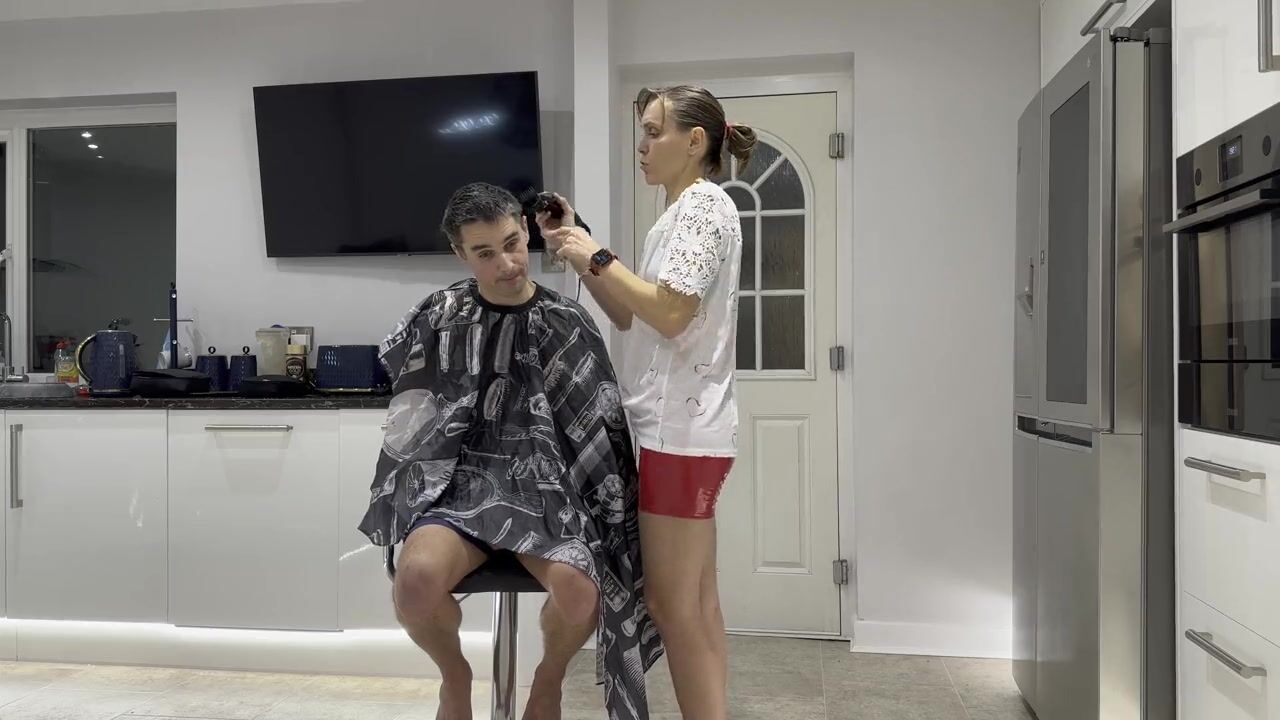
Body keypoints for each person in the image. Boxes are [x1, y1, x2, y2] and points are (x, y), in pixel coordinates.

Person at [358, 182, 661, 720]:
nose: (507, 264)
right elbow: (411, 419)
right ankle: (454, 676)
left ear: (526, 230)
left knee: (579, 591)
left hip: (550, 495)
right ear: (460, 254)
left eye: (512, 243)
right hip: (458, 492)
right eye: (485, 253)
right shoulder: (439, 314)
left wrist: (603, 509)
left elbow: (602, 432)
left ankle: (549, 679)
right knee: (415, 583)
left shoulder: (568, 321)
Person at [538, 85, 755, 720]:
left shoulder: (703, 207)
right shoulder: (679, 212)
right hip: (676, 431)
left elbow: (671, 311)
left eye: (655, 131)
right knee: (696, 603)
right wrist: (579, 246)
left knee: (673, 605)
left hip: (680, 434)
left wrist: (598, 255)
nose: (643, 144)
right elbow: (629, 314)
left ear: (695, 141)